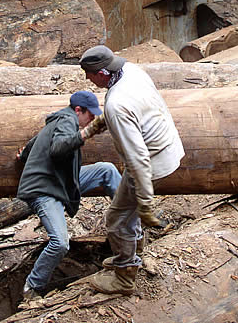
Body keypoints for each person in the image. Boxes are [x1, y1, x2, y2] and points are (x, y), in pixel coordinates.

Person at [79, 45, 185, 296]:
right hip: (169, 145)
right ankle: (133, 254)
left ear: (103, 73)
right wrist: (89, 131)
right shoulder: (130, 72)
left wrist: (146, 202)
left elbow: (136, 158)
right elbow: (125, 111)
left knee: (117, 219)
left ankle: (125, 277)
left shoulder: (117, 104)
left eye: (89, 74)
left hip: (150, 163)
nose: (87, 79)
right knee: (127, 212)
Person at [15, 90, 121, 303]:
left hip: (61, 181)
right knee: (60, 243)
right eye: (90, 115)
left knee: (106, 170)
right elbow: (57, 148)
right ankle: (31, 288)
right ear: (78, 110)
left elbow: (33, 145)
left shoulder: (56, 123)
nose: (91, 120)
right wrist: (84, 134)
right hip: (45, 190)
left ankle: (131, 216)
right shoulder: (67, 120)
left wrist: (23, 155)